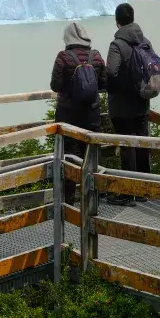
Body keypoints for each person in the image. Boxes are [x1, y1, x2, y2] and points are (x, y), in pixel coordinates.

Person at [50, 21, 106, 205]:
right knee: (92, 155)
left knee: (70, 157)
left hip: (68, 116)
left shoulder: (63, 57)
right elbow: (104, 83)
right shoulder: (96, 56)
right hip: (92, 115)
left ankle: (68, 202)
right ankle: (93, 198)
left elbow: (55, 85)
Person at [106, 2, 155, 205]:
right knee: (142, 144)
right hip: (142, 103)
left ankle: (128, 194)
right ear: (132, 19)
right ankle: (144, 191)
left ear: (117, 21)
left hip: (121, 105)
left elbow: (111, 71)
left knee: (127, 147)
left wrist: (113, 87)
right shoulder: (145, 41)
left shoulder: (117, 45)